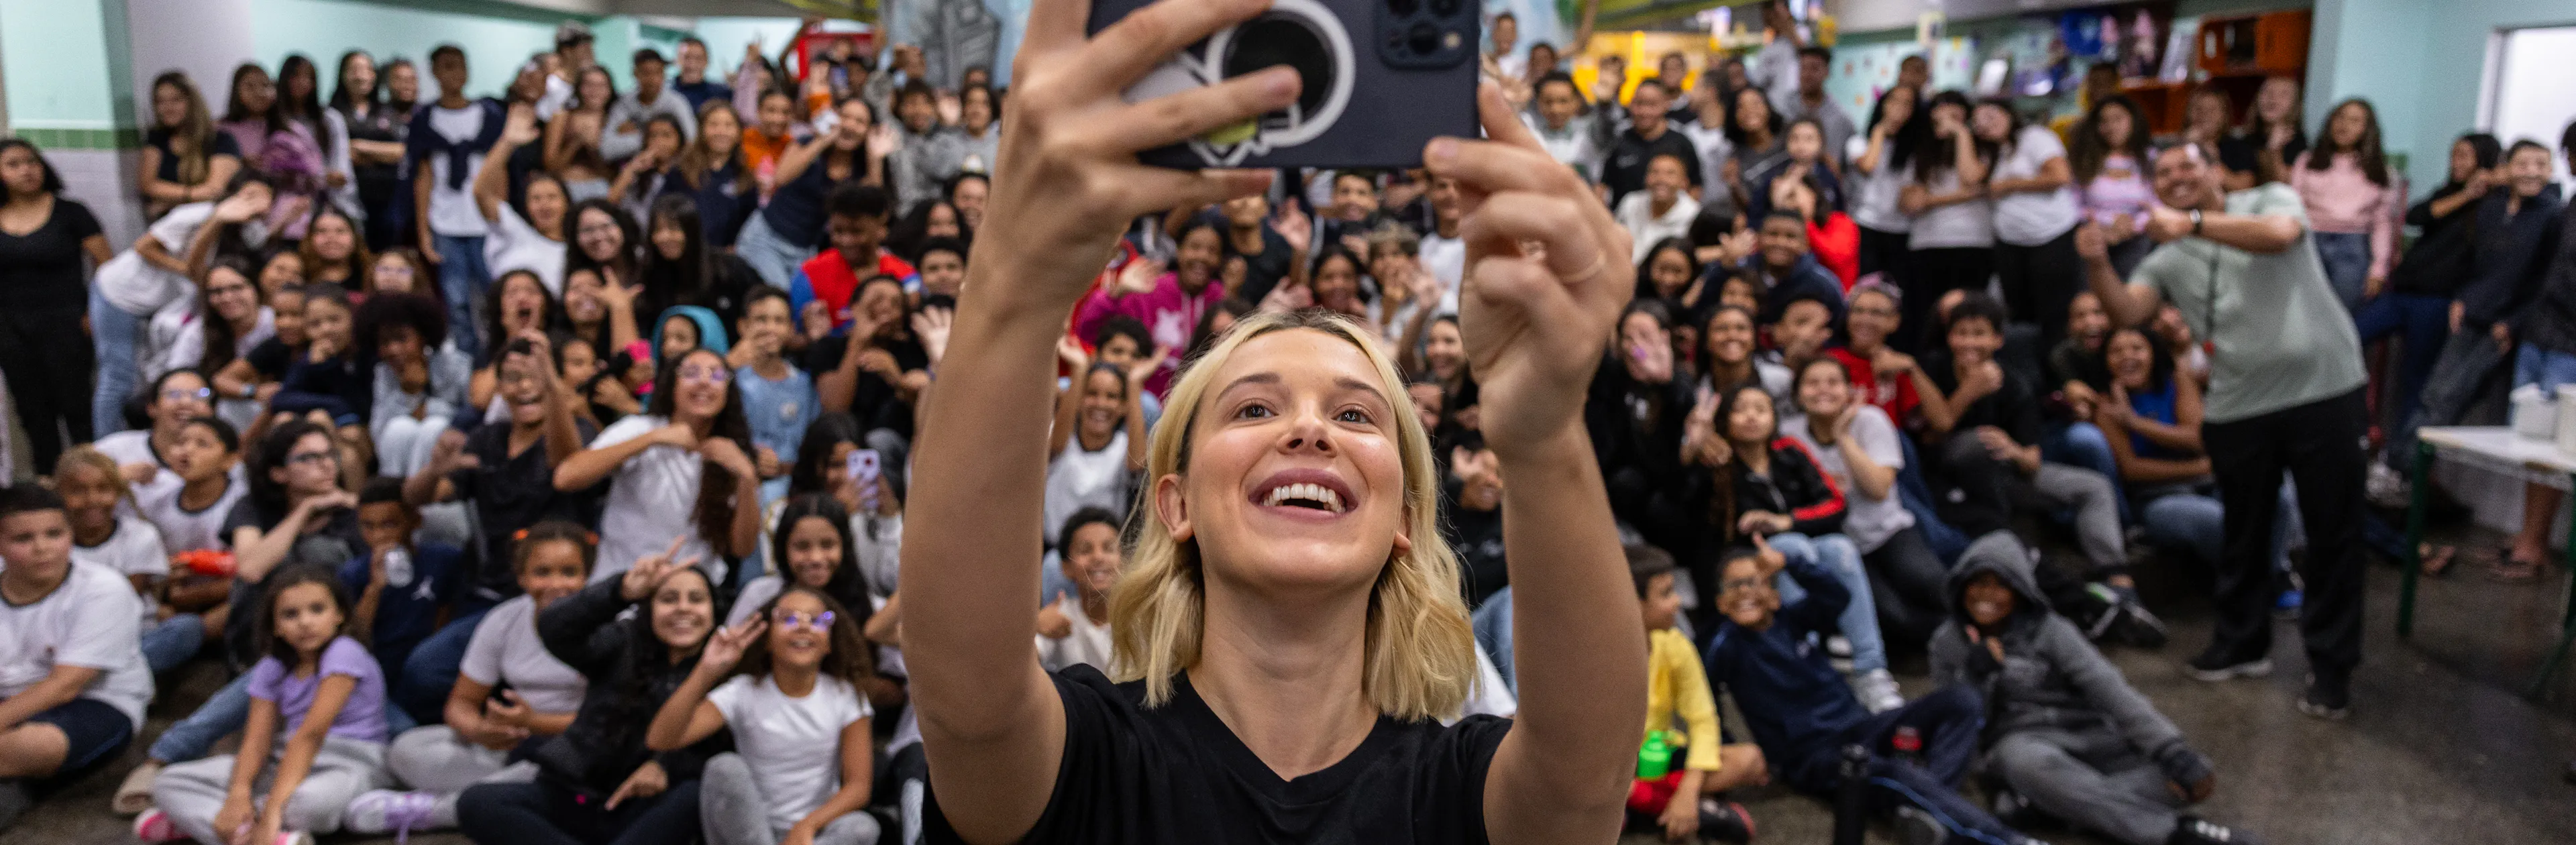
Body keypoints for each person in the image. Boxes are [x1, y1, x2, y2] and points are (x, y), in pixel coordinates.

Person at [903, 5, 1648, 829]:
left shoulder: (1459, 789)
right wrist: (1016, 279)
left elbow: (1586, 784)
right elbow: (967, 703)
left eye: (1358, 416)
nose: (1310, 431)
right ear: (1174, 504)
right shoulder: (1082, 760)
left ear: (1407, 516)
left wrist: (1543, 436)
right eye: (1253, 406)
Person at [2076, 141, 2369, 718]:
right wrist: (2095, 263)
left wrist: (2191, 224)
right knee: (2244, 529)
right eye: (2163, 173)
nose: (2177, 177)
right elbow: (2130, 313)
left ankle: (2331, 668)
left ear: (2213, 171)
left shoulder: (2268, 197)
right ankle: (2242, 641)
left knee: (2333, 534)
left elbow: (2282, 234)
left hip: (2323, 390)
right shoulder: (2164, 255)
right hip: (2237, 404)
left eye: (2188, 165)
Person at [1928, 532, 2259, 845]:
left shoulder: (2051, 630)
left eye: (2001, 585)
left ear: (2019, 591)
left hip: (2088, 736)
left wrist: (2171, 748)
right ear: (1962, 585)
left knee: (2184, 781)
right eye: (1979, 584)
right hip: (2021, 746)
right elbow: (1955, 728)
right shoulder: (1947, 644)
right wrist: (1974, 677)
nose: (1987, 596)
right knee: (2029, 765)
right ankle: (2174, 833)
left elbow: (2109, 688)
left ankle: (2050, 808)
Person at [1702, 542, 2041, 845]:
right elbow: (1706, 703)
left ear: (1775, 596)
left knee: (1962, 701)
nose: (1745, 591)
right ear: (1720, 602)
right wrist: (1733, 751)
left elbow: (1836, 595)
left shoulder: (1792, 620)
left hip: (1863, 726)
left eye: (1755, 581)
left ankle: (1923, 809)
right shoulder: (1725, 644)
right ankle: (2007, 840)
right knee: (1896, 774)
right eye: (1734, 585)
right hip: (1813, 755)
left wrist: (1790, 563)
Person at [453, 544, 722, 845]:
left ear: (715, 611)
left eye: (696, 599)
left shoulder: (726, 668)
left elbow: (730, 753)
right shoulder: (623, 642)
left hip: (643, 807)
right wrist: (620, 590)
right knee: (478, 802)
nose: (683, 609)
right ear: (650, 608)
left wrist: (666, 766)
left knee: (693, 796)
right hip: (572, 795)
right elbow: (555, 629)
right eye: (668, 599)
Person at [352, 522, 595, 839]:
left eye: (569, 572)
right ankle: (500, 795)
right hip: (513, 743)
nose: (556, 584)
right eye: (543, 572)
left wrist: (536, 721)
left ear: (588, 576)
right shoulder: (505, 620)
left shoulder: (607, 625)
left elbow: (611, 720)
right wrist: (480, 730)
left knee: (570, 772)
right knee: (405, 749)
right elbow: (461, 703)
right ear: (522, 578)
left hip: (578, 747)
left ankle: (442, 810)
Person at [1680, 382, 1901, 712]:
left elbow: (1836, 505)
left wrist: (1786, 520)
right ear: (1725, 420)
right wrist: (1694, 447)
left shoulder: (1789, 451)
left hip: (1802, 546)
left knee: (1838, 547)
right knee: (1792, 547)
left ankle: (1871, 670)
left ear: (1774, 418)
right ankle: (1805, 659)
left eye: (1761, 409)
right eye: (1741, 410)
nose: (1751, 417)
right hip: (1744, 558)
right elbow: (1688, 505)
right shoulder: (1718, 464)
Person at [138, 569, 393, 845]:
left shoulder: (344, 651)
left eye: (317, 610)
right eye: (290, 615)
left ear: (339, 615)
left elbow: (311, 735)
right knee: (169, 782)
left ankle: (217, 825)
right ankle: (261, 837)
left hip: (351, 762)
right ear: (276, 626)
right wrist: (238, 794)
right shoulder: (273, 666)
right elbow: (257, 740)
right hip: (285, 760)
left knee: (308, 805)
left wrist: (272, 809)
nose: (305, 622)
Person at [647, 584, 881, 845]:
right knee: (723, 768)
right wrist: (707, 670)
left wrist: (806, 827)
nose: (802, 626)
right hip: (749, 831)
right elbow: (661, 740)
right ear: (767, 639)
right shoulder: (743, 691)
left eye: (816, 620)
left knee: (863, 827)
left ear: (829, 643)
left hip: (812, 835)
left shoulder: (844, 695)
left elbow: (859, 787)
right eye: (788, 618)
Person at [0, 485, 154, 831]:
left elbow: (64, 687)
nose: (42, 548)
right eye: (23, 539)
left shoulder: (103, 589)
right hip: (11, 697)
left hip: (94, 702)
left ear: (70, 533)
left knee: (33, 746)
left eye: (54, 534)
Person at [2367, 133, 2504, 494]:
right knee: (2351, 334)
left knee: (2415, 384)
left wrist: (2487, 188)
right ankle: (2359, 434)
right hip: (2403, 293)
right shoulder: (2451, 194)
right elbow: (2417, 216)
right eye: (2454, 154)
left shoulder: (2494, 207)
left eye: (2465, 156)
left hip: (2438, 303)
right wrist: (2465, 193)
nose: (2457, 162)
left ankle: (2399, 464)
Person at [554, 346, 761, 583]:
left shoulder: (733, 452)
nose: (704, 382)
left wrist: (747, 476)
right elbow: (566, 477)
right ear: (673, 384)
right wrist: (653, 439)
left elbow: (742, 548)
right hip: (621, 581)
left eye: (716, 376)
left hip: (692, 590)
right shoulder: (640, 429)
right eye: (692, 373)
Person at [1784, 357, 1946, 645]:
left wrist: (1842, 435)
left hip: (1888, 531)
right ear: (1798, 394)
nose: (1823, 390)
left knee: (1928, 582)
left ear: (1850, 391)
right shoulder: (1788, 434)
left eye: (1833, 383)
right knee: (1894, 616)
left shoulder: (1871, 420)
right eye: (1812, 383)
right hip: (1841, 547)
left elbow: (1878, 488)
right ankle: (1946, 641)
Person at [1622, 545, 1760, 843]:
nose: (1678, 602)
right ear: (1633, 603)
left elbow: (1702, 719)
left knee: (1750, 760)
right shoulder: (1596, 658)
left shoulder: (1674, 644)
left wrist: (1688, 791)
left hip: (1656, 760)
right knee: (1591, 787)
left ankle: (1648, 808)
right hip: (1612, 768)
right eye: (1667, 593)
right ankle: (1676, 810)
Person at [0, 139, 111, 471]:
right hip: (11, 329)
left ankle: (92, 479)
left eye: (32, 162)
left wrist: (96, 312)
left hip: (68, 323)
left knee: (77, 407)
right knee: (33, 412)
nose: (26, 170)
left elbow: (107, 267)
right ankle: (47, 487)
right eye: (14, 164)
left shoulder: (71, 212)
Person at [2499, 127, 2576, 582]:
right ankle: (2528, 537)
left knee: (2555, 447)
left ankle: (2533, 546)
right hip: (2540, 333)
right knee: (2530, 439)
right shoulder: (2566, 206)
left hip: (2570, 343)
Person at [409, 46, 507, 362]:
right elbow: (422, 178)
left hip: (484, 221)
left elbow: (500, 169)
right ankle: (468, 362)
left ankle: (500, 354)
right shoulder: (425, 119)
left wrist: (501, 219)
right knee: (457, 300)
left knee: (494, 296)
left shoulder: (489, 115)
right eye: (448, 67)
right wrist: (423, 231)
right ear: (435, 72)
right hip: (446, 221)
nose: (456, 74)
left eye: (461, 66)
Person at [741, 98, 889, 290]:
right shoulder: (807, 142)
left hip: (805, 251)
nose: (850, 126)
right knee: (782, 295)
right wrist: (823, 139)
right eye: (845, 117)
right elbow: (781, 177)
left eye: (860, 122)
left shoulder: (861, 168)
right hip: (766, 238)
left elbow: (871, 209)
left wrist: (875, 160)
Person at [1976, 98, 2084, 348]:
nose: (1986, 123)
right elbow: (1974, 181)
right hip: (2010, 243)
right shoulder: (1990, 152)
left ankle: (2058, 375)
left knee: (2055, 314)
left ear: (2009, 114)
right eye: (1979, 120)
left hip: (2051, 236)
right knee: (2019, 314)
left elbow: (2060, 176)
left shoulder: (2034, 137)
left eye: (1992, 115)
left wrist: (2012, 184)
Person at [1896, 91, 1995, 354]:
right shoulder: (1920, 154)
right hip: (1926, 243)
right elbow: (1909, 202)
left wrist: (1961, 135)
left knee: (1969, 315)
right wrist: (1957, 197)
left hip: (1973, 242)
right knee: (1926, 317)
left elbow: (1971, 178)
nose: (1946, 119)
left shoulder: (1984, 148)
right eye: (1941, 113)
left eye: (1955, 113)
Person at [2288, 99, 2399, 313]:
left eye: (2355, 121)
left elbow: (2382, 223)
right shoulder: (2307, 160)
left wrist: (2378, 269)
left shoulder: (2380, 171)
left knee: (2341, 315)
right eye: (2340, 117)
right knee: (2302, 312)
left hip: (2353, 247)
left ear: (2367, 130)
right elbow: (2293, 206)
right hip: (2308, 241)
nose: (2344, 125)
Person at [473, 105, 572, 297]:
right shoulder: (515, 231)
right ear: (526, 206)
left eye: (552, 197)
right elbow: (481, 191)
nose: (544, 205)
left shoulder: (575, 251)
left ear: (567, 203)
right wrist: (508, 142)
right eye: (536, 199)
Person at [731, 287, 817, 502]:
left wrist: (783, 468)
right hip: (737, 483)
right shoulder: (729, 380)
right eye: (761, 320)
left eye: (779, 321)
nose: (770, 328)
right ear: (743, 326)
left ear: (791, 329)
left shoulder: (805, 386)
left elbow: (812, 452)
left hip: (793, 490)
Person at [2070, 95, 2159, 276]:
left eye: (2118, 119)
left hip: (2140, 235)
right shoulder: (2085, 160)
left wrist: (2133, 225)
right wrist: (2106, 225)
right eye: (2104, 121)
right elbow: (2073, 204)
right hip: (2095, 235)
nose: (2111, 127)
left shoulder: (2151, 158)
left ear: (2134, 120)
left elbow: (2159, 201)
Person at [140, 72, 246, 221]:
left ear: (193, 102)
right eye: (160, 101)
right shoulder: (157, 138)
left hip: (212, 225)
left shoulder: (222, 140)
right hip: (169, 225)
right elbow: (148, 185)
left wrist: (169, 202)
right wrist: (194, 195)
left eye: (176, 100)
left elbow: (214, 191)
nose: (167, 108)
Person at [333, 52, 411, 251]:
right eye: (355, 70)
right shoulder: (333, 113)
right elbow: (339, 154)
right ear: (343, 74)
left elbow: (401, 151)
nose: (362, 76)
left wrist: (360, 146)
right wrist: (381, 155)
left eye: (368, 69)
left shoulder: (388, 112)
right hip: (345, 198)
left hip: (386, 199)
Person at [1848, 86, 1919, 282]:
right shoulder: (1858, 142)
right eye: (1894, 101)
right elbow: (1868, 166)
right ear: (1882, 104)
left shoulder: (1915, 149)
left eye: (1908, 104)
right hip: (1866, 224)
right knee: (1865, 284)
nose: (1900, 108)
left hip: (1901, 229)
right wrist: (1880, 130)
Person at [1600, 80, 1703, 209]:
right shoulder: (1619, 140)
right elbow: (1603, 185)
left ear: (1666, 105)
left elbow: (1695, 187)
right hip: (1625, 221)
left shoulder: (1681, 143)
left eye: (1652, 105)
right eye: (1639, 104)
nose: (1644, 111)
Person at [604, 49, 698, 164]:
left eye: (658, 72)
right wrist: (656, 139)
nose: (653, 79)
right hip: (635, 167)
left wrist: (634, 136)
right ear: (635, 74)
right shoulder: (625, 103)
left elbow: (692, 143)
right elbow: (606, 149)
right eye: (646, 73)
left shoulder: (676, 103)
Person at [1776, 46, 1855, 170]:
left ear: (1827, 72)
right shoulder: (1781, 110)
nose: (1807, 75)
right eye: (1803, 68)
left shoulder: (1840, 119)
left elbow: (1840, 167)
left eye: (1814, 69)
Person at [2220, 76, 2304, 189]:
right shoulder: (2242, 140)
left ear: (2296, 105)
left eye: (2283, 94)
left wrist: (2274, 150)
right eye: (2268, 92)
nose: (2273, 98)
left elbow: (2283, 187)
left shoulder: (2298, 143)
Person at [1613, 152, 1701, 262]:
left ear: (1684, 182)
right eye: (1654, 172)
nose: (1661, 179)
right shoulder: (1631, 202)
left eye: (1670, 174)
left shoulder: (1694, 214)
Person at [671, 38, 731, 113]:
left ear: (707, 61)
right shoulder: (666, 92)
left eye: (698, 59)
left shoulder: (721, 94)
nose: (692, 65)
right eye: (687, 58)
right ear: (677, 60)